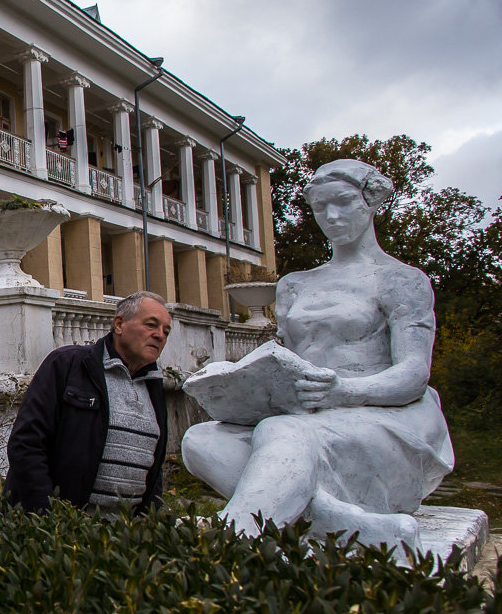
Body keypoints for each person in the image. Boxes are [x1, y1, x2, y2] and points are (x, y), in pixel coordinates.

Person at [182, 159, 454, 549]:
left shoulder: (401, 279)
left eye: (342, 202)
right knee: (200, 440)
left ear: (371, 200)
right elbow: (288, 362)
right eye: (320, 207)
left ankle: (232, 541)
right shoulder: (294, 285)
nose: (331, 216)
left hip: (385, 415)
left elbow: (413, 373)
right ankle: (353, 527)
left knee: (280, 430)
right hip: (311, 413)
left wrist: (344, 390)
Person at [4, 291, 172, 514]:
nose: (160, 335)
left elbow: (154, 466)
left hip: (124, 538)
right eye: (151, 325)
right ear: (119, 324)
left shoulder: (153, 387)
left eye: (166, 331)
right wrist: (47, 515)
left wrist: (149, 520)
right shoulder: (68, 365)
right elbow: (26, 443)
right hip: (61, 530)